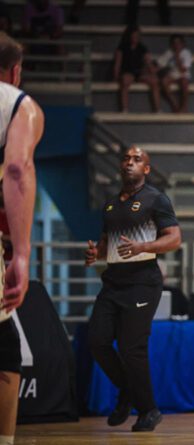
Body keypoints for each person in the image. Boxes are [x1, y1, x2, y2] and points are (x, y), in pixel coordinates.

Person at [84, 145, 181, 432]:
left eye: (137, 159)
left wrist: (144, 247)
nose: (130, 162)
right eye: (126, 158)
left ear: (146, 169)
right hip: (113, 282)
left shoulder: (156, 199)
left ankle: (149, 410)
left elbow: (174, 238)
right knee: (97, 341)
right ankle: (127, 389)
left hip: (142, 282)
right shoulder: (110, 205)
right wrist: (96, 253)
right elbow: (107, 245)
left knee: (131, 348)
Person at [0, 32, 44, 445]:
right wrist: (22, 253)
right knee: (5, 349)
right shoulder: (18, 105)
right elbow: (17, 169)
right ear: (15, 71)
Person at [113, 25, 160, 113]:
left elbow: (149, 63)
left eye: (137, 35)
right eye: (134, 35)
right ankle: (125, 109)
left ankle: (158, 110)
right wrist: (116, 76)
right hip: (127, 72)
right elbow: (117, 64)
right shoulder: (122, 47)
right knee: (125, 80)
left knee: (154, 81)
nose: (136, 37)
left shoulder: (142, 48)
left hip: (139, 73)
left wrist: (154, 71)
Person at [156, 34, 191, 113]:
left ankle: (184, 107)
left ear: (183, 44)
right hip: (172, 75)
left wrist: (177, 57)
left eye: (178, 43)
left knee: (184, 82)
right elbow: (159, 65)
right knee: (163, 81)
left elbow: (183, 70)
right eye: (174, 43)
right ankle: (175, 105)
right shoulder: (169, 52)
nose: (176, 45)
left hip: (183, 75)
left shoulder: (186, 53)